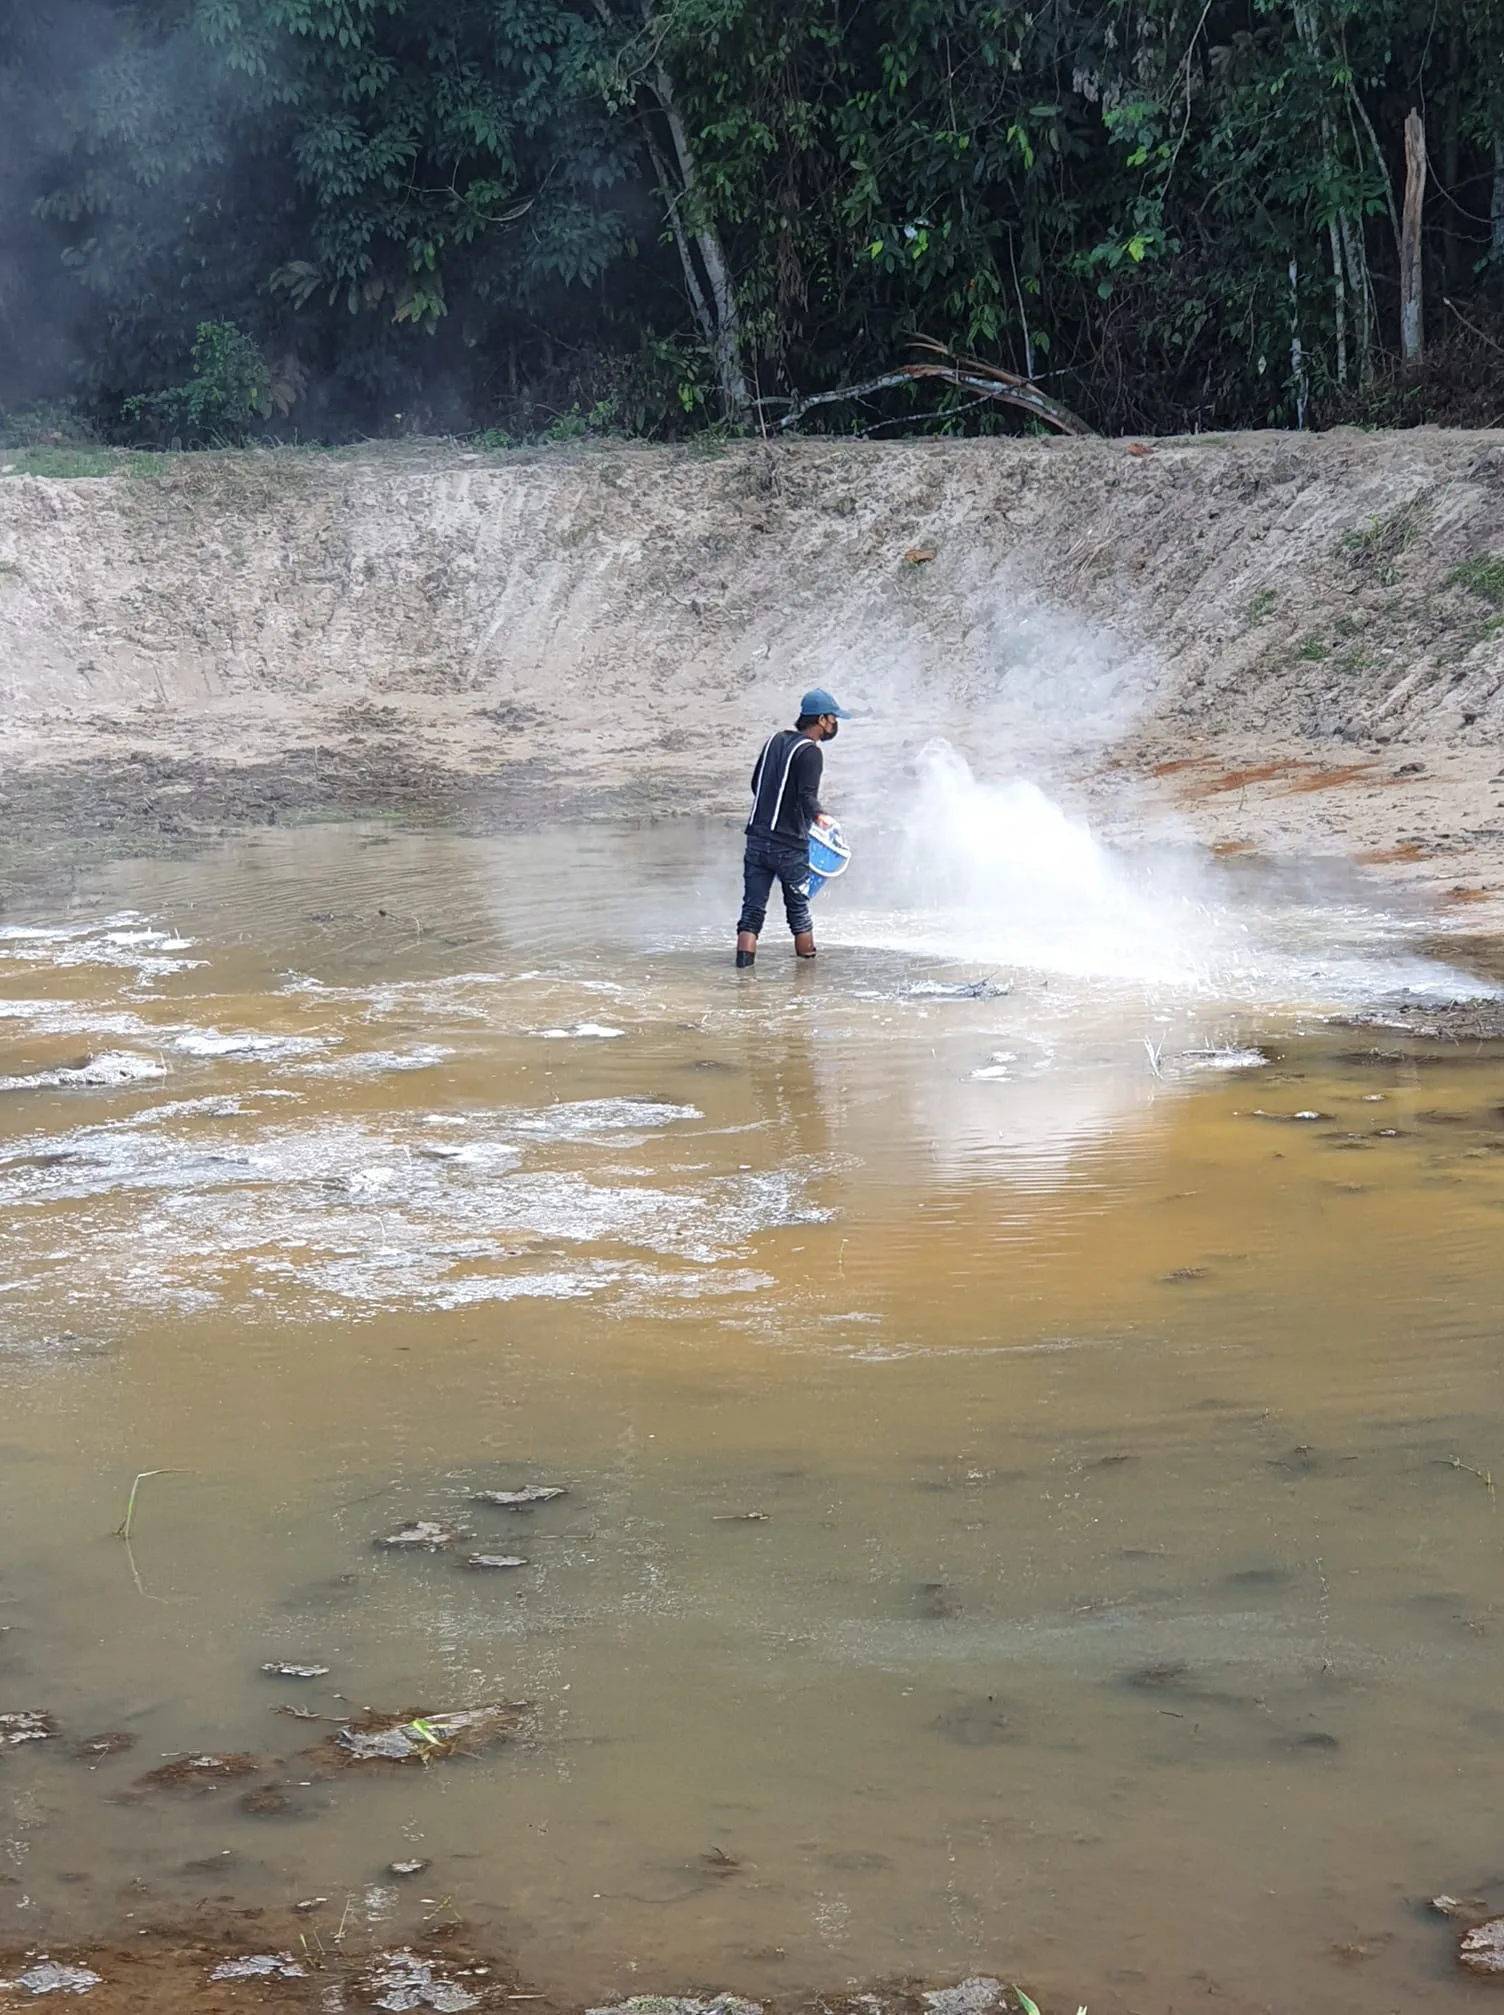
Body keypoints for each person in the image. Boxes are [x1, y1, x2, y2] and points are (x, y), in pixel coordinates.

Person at [735, 687, 851, 969]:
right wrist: (820, 816)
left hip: (757, 839)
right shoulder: (811, 752)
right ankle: (806, 975)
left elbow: (756, 785)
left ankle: (743, 973)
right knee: (798, 911)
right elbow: (806, 796)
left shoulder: (775, 740)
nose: (834, 724)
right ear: (821, 720)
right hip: (789, 846)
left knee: (752, 911)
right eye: (833, 719)